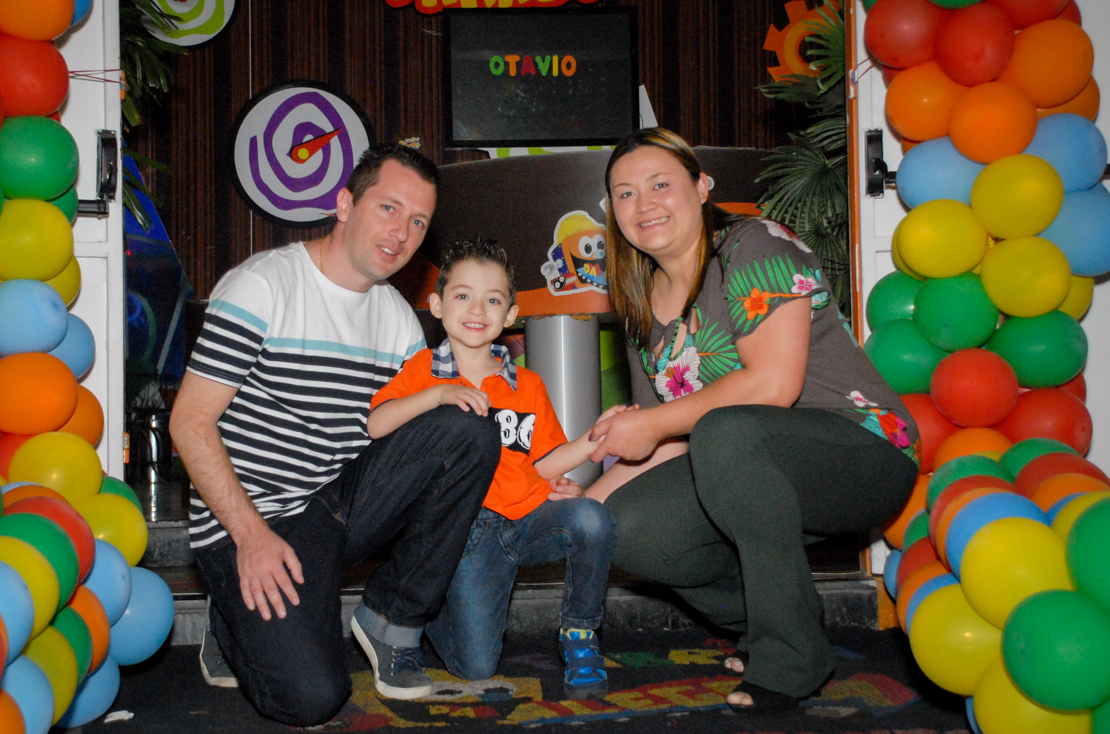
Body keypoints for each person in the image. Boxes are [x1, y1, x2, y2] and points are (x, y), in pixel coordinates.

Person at [583, 128, 919, 714]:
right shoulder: (639, 296)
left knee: (728, 429)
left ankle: (790, 656)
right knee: (626, 527)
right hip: (741, 460)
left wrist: (655, 425)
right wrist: (583, 511)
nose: (646, 203)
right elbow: (663, 440)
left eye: (661, 184)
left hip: (862, 453)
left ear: (702, 186)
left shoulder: (753, 245)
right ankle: (780, 619)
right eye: (627, 194)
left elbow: (771, 384)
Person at [169, 144, 503, 727]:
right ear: (345, 203)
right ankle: (232, 620)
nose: (401, 234)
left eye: (418, 222)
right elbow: (189, 423)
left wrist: (545, 479)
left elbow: (413, 447)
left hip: (334, 505)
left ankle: (391, 619)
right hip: (250, 517)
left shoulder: (398, 317)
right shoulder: (263, 286)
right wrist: (249, 537)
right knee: (311, 698)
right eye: (389, 208)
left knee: (465, 426)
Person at [368, 239, 620, 700]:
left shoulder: (528, 383)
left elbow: (544, 462)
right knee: (476, 667)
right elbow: (377, 423)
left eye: (492, 299)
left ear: (510, 314)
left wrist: (594, 440)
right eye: (462, 295)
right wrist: (437, 396)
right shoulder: (425, 369)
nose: (476, 309)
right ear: (437, 305)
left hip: (525, 519)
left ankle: (581, 635)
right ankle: (428, 613)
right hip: (462, 534)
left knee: (592, 517)